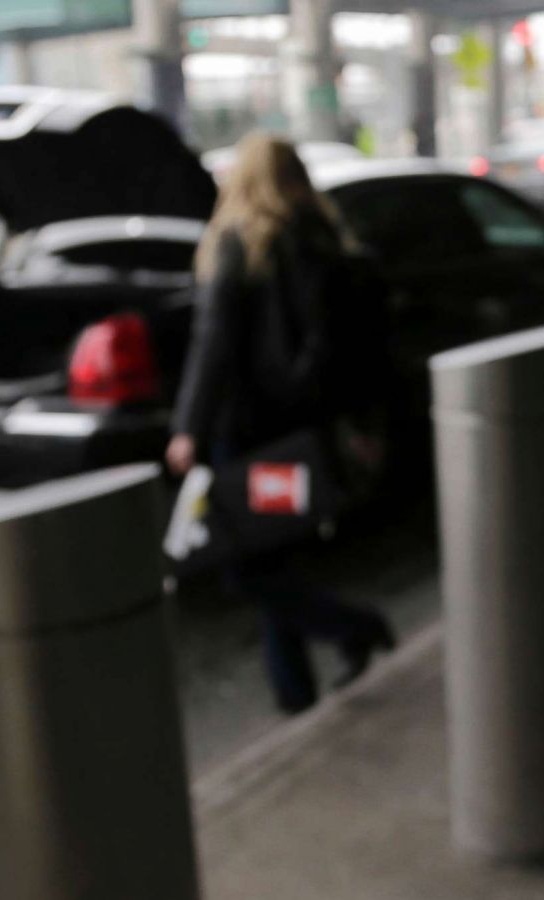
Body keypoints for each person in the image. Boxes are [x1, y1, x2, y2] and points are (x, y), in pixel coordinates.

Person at [166, 133, 395, 714]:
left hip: (245, 435)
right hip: (298, 433)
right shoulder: (324, 238)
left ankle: (354, 627)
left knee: (245, 568)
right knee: (272, 555)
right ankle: (295, 696)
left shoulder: (239, 243)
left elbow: (213, 342)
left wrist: (188, 426)